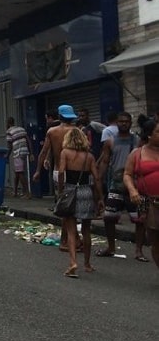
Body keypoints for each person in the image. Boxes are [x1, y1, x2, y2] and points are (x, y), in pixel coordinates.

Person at [95, 112, 147, 261]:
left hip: (135, 187)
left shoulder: (137, 141)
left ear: (131, 123)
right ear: (116, 123)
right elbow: (105, 162)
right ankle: (110, 247)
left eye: (127, 121)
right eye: (121, 121)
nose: (124, 124)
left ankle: (138, 250)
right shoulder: (110, 141)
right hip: (116, 185)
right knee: (108, 218)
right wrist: (99, 179)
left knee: (139, 220)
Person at [57, 127, 103, 278]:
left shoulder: (65, 153)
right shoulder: (89, 156)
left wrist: (61, 190)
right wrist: (100, 197)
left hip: (70, 191)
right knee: (86, 230)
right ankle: (87, 264)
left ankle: (73, 262)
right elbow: (96, 178)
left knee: (71, 231)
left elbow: (62, 172)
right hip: (86, 192)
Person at [34, 105, 81, 252]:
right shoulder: (76, 131)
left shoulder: (52, 132)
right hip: (74, 172)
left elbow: (43, 152)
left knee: (64, 206)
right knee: (71, 208)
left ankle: (69, 240)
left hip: (57, 173)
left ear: (59, 117)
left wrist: (37, 171)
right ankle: (67, 240)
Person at [124, 117, 159, 270]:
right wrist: (132, 190)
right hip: (149, 202)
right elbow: (127, 174)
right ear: (149, 135)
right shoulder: (137, 153)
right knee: (155, 240)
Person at [6, 117, 33, 198]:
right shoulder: (21, 129)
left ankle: (27, 193)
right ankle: (15, 192)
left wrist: (6, 156)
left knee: (20, 173)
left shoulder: (9, 132)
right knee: (17, 172)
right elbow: (28, 141)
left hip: (18, 152)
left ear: (7, 123)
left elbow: (9, 146)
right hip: (25, 151)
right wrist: (31, 153)